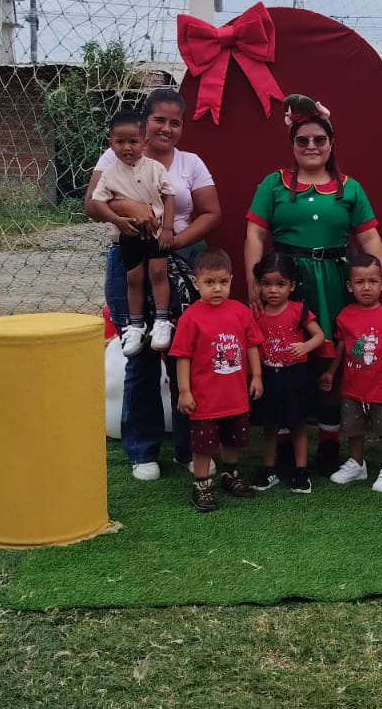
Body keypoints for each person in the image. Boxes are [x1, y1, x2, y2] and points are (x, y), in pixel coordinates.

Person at [243, 97, 382, 472]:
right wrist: (253, 281)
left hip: (333, 282)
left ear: (331, 143)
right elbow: (255, 235)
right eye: (303, 140)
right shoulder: (273, 184)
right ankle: (282, 441)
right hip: (284, 281)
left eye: (319, 140)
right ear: (292, 144)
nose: (311, 146)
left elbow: (370, 238)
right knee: (281, 356)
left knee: (333, 358)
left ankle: (329, 441)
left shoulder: (350, 189)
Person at [86, 87, 221, 481]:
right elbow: (92, 204)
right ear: (144, 123)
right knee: (139, 353)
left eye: (175, 122)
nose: (166, 128)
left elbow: (211, 212)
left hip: (177, 259)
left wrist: (172, 241)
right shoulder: (117, 155)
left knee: (184, 354)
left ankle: (187, 448)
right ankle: (142, 450)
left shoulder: (190, 164)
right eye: (159, 119)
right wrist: (131, 208)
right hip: (128, 257)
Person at [169, 249, 264, 514]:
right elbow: (182, 356)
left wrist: (256, 376)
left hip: (235, 397)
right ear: (196, 282)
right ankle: (201, 485)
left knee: (232, 440)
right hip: (205, 400)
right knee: (203, 446)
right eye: (209, 282)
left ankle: (230, 476)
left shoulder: (240, 312)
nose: (217, 288)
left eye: (223, 281)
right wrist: (184, 391)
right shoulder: (190, 318)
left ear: (231, 279)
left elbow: (252, 345)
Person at [87, 108, 177, 355]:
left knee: (158, 273)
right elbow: (97, 202)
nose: (127, 148)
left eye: (133, 142)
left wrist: (168, 228)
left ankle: (162, 321)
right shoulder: (109, 174)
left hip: (156, 234)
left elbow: (169, 197)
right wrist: (117, 220)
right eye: (120, 142)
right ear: (110, 143)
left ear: (145, 142)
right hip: (129, 234)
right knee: (134, 278)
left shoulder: (155, 168)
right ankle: (136, 325)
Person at [320, 253, 382, 492]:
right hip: (352, 386)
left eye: (373, 281)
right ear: (350, 286)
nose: (367, 287)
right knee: (353, 427)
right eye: (360, 282)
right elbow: (341, 346)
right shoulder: (345, 315)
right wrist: (331, 372)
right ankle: (357, 464)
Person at [249, 250, 324, 494]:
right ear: (258, 285)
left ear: (291, 286)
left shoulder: (298, 309)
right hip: (269, 377)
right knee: (270, 427)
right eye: (266, 284)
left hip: (295, 376)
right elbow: (251, 344)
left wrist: (305, 346)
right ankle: (268, 470)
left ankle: (301, 472)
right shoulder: (256, 313)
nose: (273, 290)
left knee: (297, 426)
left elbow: (319, 336)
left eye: (280, 284)